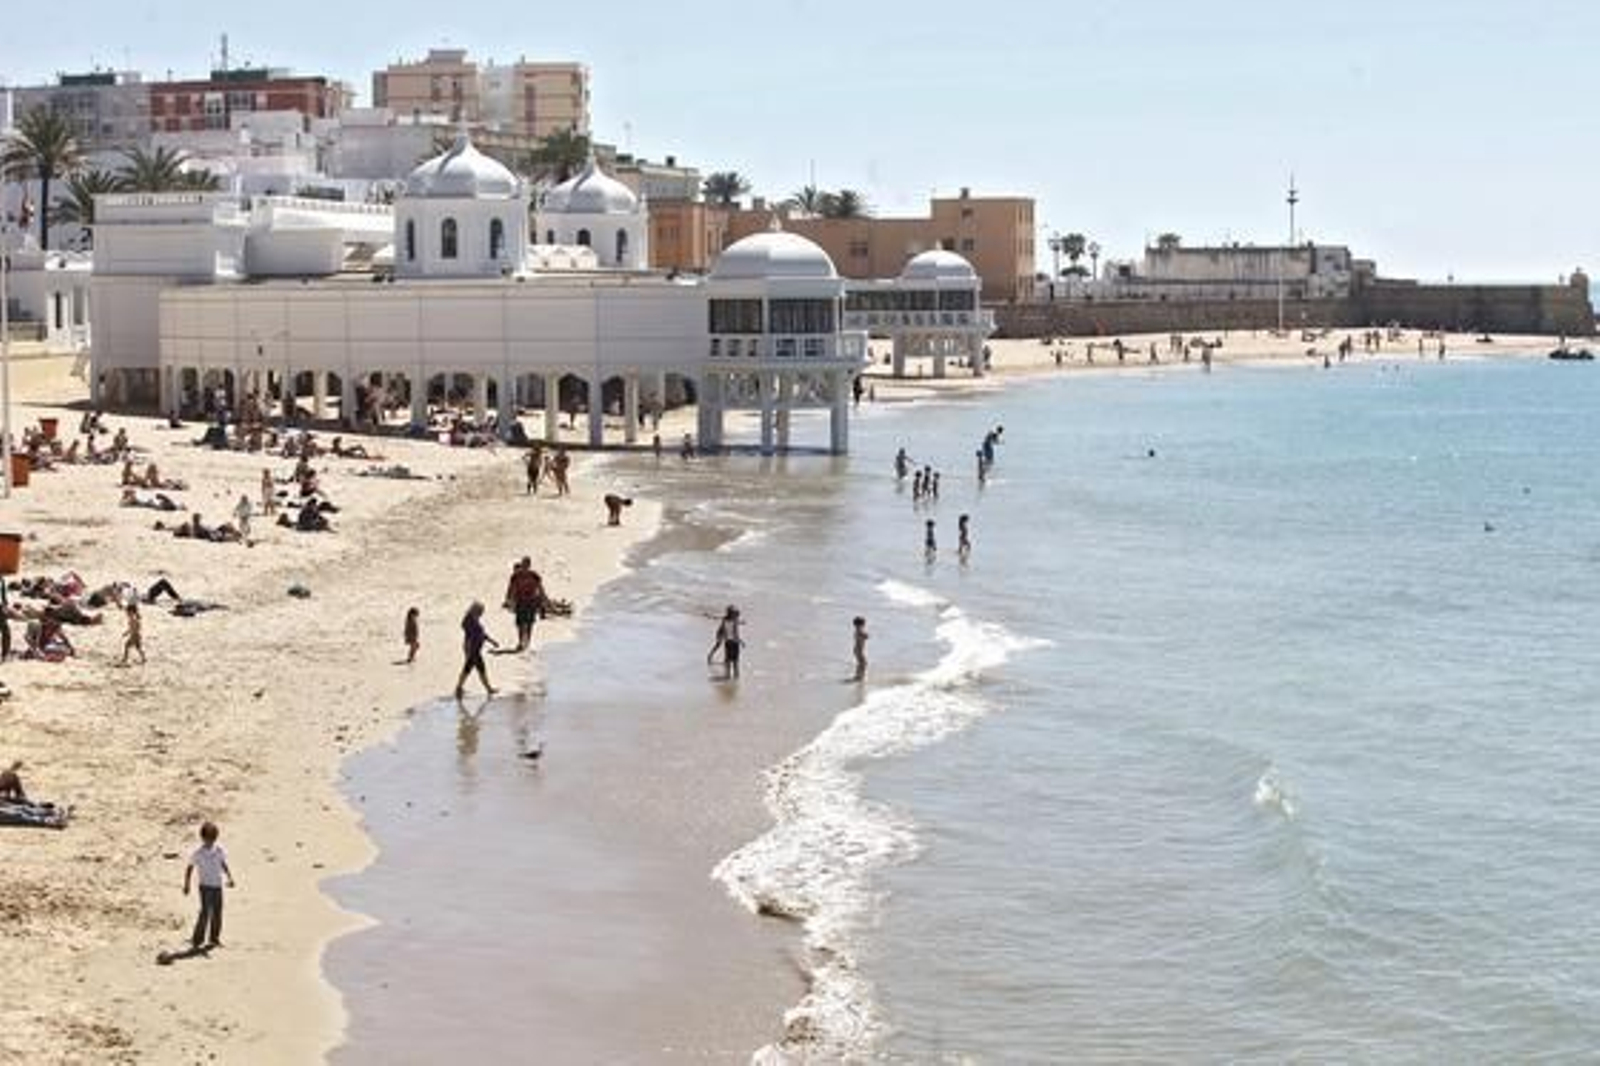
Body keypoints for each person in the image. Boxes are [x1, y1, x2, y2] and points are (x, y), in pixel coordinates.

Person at [183, 821, 236, 950]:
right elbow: (190, 868)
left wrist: (229, 877)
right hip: (205, 886)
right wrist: (187, 885)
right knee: (205, 912)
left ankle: (214, 938)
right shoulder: (198, 853)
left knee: (217, 912)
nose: (210, 842)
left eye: (212, 839)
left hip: (217, 886)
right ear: (203, 838)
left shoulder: (219, 850)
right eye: (208, 839)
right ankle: (197, 939)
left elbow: (223, 864)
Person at [455, 601, 498, 699]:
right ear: (475, 610)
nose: (482, 613)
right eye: (481, 611)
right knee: (480, 669)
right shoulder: (469, 620)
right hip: (473, 649)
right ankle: (488, 689)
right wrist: (468, 650)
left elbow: (482, 634)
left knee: (467, 669)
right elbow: (469, 635)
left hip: (475, 649)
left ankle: (459, 688)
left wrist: (492, 641)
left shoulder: (474, 619)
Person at [503, 559, 545, 652]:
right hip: (520, 602)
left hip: (531, 602)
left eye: (526, 565)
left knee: (529, 623)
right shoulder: (515, 576)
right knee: (520, 623)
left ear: (529, 565)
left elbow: (540, 588)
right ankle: (521, 641)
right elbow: (511, 588)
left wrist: (542, 600)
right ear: (522, 564)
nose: (524, 567)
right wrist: (508, 599)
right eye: (523, 565)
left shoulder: (534, 575)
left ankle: (527, 642)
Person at [707, 606, 743, 680]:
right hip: (734, 642)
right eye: (736, 615)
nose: (737, 616)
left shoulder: (725, 620)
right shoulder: (734, 622)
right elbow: (735, 634)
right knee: (735, 661)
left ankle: (728, 675)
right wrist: (741, 642)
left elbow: (723, 629)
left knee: (728, 660)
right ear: (733, 615)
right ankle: (736, 675)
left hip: (727, 642)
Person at [851, 616, 869, 682]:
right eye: (863, 623)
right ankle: (860, 676)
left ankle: (859, 675)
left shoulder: (858, 630)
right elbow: (865, 636)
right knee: (863, 663)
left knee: (861, 663)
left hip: (858, 649)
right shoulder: (859, 630)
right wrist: (866, 635)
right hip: (859, 650)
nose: (864, 625)